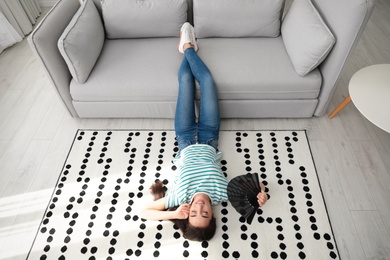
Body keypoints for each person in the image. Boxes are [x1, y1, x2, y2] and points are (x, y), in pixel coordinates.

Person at [140, 23, 268, 241]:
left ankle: (187, 47)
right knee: (208, 82)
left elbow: (144, 212)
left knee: (186, 82)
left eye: (193, 214)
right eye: (206, 213)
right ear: (213, 215)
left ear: (187, 213)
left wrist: (172, 213)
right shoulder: (222, 194)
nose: (199, 207)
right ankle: (187, 47)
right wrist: (261, 193)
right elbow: (253, 185)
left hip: (185, 137)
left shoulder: (178, 197)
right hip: (210, 135)